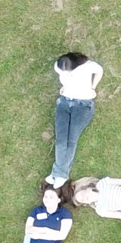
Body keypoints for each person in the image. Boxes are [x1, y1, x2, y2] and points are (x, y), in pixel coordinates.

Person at [47, 52, 104, 186]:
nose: (64, 74)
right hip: (64, 103)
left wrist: (92, 87)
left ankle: (58, 173)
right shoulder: (59, 66)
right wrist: (65, 87)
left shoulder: (87, 67)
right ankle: (59, 174)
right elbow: (66, 78)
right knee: (61, 140)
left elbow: (100, 71)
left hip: (83, 106)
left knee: (71, 140)